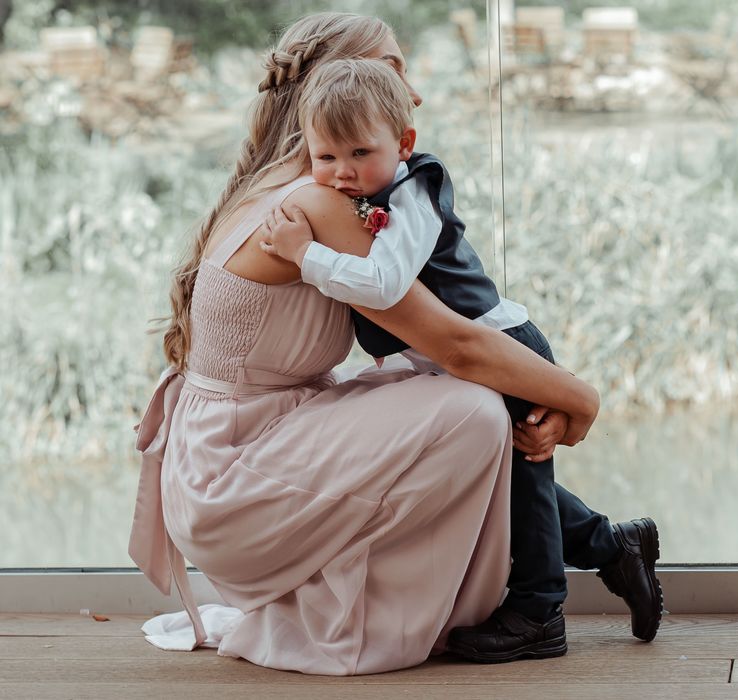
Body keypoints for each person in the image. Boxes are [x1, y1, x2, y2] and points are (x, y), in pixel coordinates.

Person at [128, 13, 624, 676]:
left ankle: (607, 546)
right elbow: (456, 343)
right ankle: (553, 584)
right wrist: (581, 401)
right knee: (472, 407)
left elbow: (425, 345)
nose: (412, 92)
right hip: (232, 476)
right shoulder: (321, 202)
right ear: (338, 84)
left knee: (443, 396)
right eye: (394, 69)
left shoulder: (281, 185)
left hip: (227, 447)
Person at [259, 56, 664, 658]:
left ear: (404, 144)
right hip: (448, 362)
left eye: (360, 155)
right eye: (326, 158)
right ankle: (612, 545)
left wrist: (307, 257)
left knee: (524, 485)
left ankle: (538, 611)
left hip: (498, 348)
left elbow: (385, 284)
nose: (342, 173)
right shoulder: (359, 188)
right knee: (506, 480)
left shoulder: (414, 190)